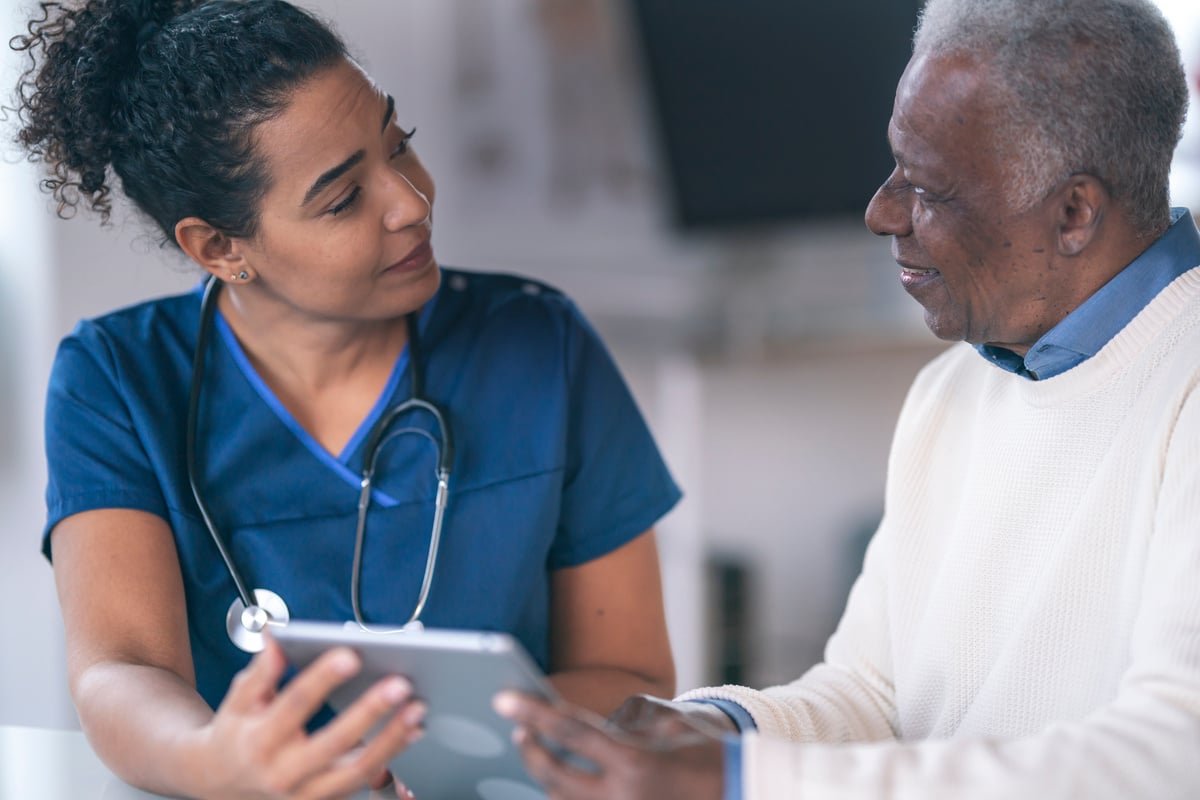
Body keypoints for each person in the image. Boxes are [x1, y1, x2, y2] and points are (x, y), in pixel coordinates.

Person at [495, 0, 1200, 797]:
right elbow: (874, 693)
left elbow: (1173, 755)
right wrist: (710, 731)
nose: (882, 212)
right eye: (895, 166)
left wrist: (739, 781)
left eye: (928, 188)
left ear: (1074, 213)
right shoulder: (955, 388)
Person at [10, 1, 680, 797]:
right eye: (342, 199)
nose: (411, 202)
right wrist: (215, 762)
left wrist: (442, 747)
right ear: (218, 247)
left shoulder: (540, 345)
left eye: (400, 147)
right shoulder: (116, 379)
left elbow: (631, 673)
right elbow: (122, 671)